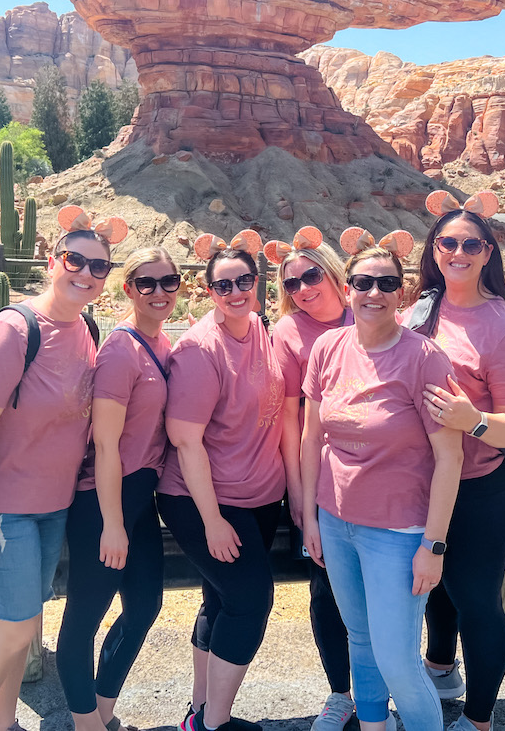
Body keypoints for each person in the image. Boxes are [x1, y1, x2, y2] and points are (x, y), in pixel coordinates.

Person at [0, 206, 127, 731]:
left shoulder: (86, 330)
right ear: (53, 261)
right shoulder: (13, 330)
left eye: (99, 268)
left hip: (50, 505)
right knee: (13, 627)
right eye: (75, 260)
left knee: (18, 627)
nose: (85, 274)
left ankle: (2, 723)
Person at [300, 227, 464, 731]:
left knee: (397, 659)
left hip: (397, 533)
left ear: (402, 293)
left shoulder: (423, 359)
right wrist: (309, 517)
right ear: (347, 287)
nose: (374, 293)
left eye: (386, 284)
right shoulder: (328, 348)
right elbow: (311, 439)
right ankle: (373, 725)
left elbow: (449, 457)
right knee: (361, 639)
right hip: (336, 522)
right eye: (363, 282)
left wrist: (433, 546)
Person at [407, 191, 505, 731]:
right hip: (432, 477)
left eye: (470, 244)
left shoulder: (503, 329)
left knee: (475, 599)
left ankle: (480, 719)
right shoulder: (424, 306)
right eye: (447, 242)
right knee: (435, 583)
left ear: (488, 253)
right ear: (434, 249)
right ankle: (441, 671)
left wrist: (472, 419)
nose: (457, 251)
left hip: (484, 484)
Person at [157, 230, 287, 731]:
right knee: (251, 600)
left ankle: (198, 712)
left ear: (257, 284)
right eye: (223, 285)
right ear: (208, 292)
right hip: (203, 499)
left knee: (220, 599)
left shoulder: (258, 326)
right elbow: (186, 442)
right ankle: (215, 723)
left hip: (258, 495)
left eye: (244, 281)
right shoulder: (199, 350)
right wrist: (211, 521)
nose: (236, 292)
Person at [56, 247, 182, 731]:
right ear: (128, 289)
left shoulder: (163, 344)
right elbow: (105, 445)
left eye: (167, 282)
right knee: (85, 617)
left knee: (146, 603)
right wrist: (112, 524)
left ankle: (102, 710)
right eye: (145, 283)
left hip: (140, 498)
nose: (157, 292)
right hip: (103, 501)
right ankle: (86, 724)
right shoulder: (120, 350)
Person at [264, 227, 357, 731]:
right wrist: (301, 501)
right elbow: (289, 423)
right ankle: (341, 693)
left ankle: (379, 685)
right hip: (318, 478)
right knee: (325, 589)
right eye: (292, 282)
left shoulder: (366, 308)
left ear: (333, 272)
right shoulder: (289, 333)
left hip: (377, 477)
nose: (302, 288)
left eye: (311, 274)